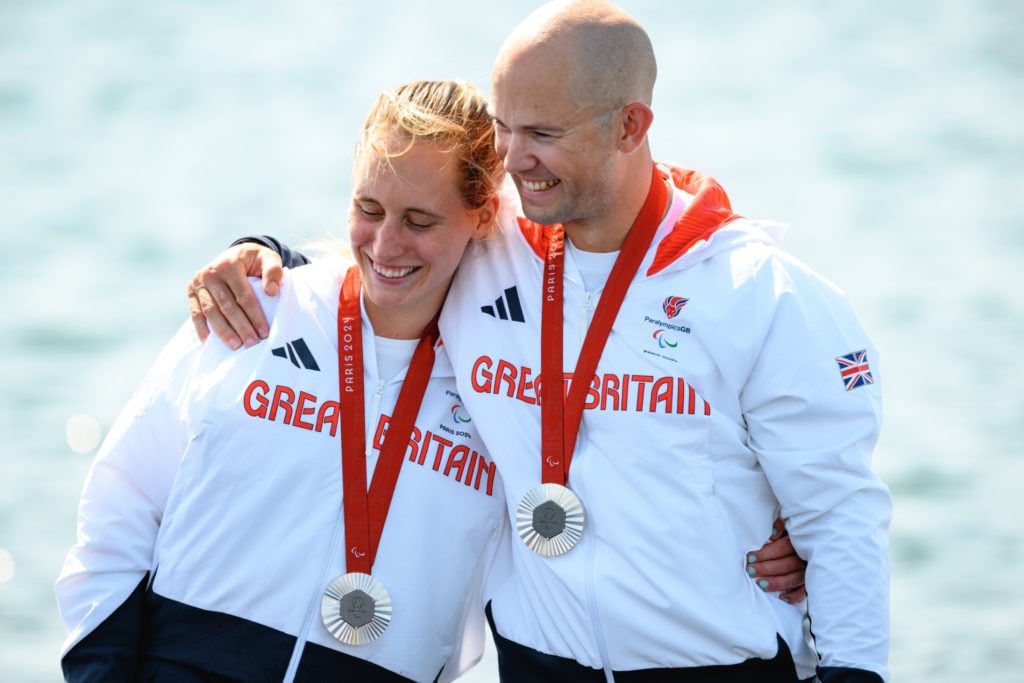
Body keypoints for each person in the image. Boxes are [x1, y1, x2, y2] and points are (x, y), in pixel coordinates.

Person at [189, 1, 892, 681]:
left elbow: (840, 517)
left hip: (723, 667)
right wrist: (260, 252)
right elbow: (386, 259)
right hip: (534, 665)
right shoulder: (490, 247)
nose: (512, 160)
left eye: (543, 135)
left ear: (630, 125)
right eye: (504, 128)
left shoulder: (761, 293)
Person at [56, 80, 513, 683]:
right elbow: (121, 501)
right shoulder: (257, 310)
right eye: (368, 210)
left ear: (482, 214)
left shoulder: (509, 377)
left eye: (419, 220)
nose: (384, 244)